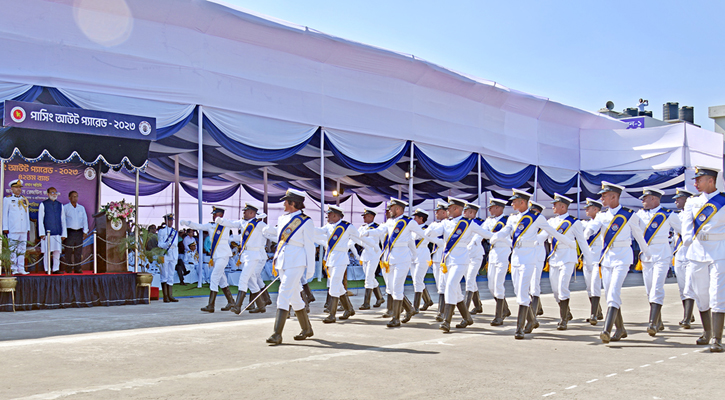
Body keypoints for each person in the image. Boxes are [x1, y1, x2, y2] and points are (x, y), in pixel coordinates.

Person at [490, 189, 575, 339]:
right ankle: (532, 320)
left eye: (514, 201)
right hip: (516, 257)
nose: (512, 203)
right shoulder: (512, 218)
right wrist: (496, 236)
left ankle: (519, 328)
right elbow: (506, 230)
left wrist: (568, 242)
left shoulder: (536, 217)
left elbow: (552, 232)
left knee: (523, 292)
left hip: (529, 257)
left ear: (523, 202)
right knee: (518, 291)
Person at [584, 182, 650, 344]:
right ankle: (620, 329)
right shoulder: (602, 215)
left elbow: (639, 235)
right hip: (607, 258)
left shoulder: (629, 215)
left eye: (604, 196)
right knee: (610, 295)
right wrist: (585, 235)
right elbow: (591, 228)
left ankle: (606, 329)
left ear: (614, 196)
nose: (602, 199)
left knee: (613, 292)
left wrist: (646, 253)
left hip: (623, 257)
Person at [364, 198, 439, 327]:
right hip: (390, 258)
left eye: (391, 208)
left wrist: (438, 240)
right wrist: (367, 232)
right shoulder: (389, 222)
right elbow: (379, 231)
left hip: (403, 258)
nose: (389, 211)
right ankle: (409, 309)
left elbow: (422, 234)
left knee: (397, 287)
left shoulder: (409, 222)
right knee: (392, 288)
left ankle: (396, 318)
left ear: (397, 209)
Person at [425, 197, 492, 333]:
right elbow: (435, 233)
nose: (447, 210)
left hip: (461, 259)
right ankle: (467, 318)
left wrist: (505, 236)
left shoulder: (468, 224)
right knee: (455, 291)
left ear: (456, 209)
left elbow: (486, 234)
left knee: (450, 285)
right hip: (448, 260)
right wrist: (428, 232)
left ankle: (446, 321)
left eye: (449, 208)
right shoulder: (445, 224)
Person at [261, 189, 316, 345]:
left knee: (283, 292)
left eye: (286, 201)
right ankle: (307, 328)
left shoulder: (306, 221)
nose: (284, 203)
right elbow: (279, 238)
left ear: (293, 203)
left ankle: (277, 334)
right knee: (294, 297)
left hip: (297, 260)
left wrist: (311, 268)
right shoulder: (283, 218)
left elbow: (310, 246)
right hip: (283, 259)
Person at [681, 167, 725, 352]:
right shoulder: (692, 202)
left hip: (719, 250)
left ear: (711, 181)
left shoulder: (722, 200)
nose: (695, 183)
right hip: (697, 251)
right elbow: (686, 224)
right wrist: (687, 240)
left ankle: (717, 338)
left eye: (699, 180)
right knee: (700, 294)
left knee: (717, 293)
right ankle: (707, 332)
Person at [542, 193, 593, 330]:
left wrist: (588, 259)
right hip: (554, 258)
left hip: (568, 258)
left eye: (555, 205)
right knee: (555, 291)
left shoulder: (574, 222)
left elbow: (582, 242)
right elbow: (543, 236)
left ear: (563, 206)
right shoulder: (551, 222)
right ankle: (567, 312)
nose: (552, 207)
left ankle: (563, 319)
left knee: (562, 287)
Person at [635, 187, 681, 337]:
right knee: (649, 291)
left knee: (656, 288)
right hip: (647, 256)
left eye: (645, 198)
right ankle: (659, 321)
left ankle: (652, 323)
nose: (642, 201)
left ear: (654, 198)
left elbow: (684, 231)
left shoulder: (668, 215)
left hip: (662, 254)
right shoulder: (640, 215)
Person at [216, 203, 269, 315]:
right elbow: (231, 223)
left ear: (252, 213)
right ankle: (261, 305)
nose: (243, 213)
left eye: (245, 211)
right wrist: (221, 221)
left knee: (243, 279)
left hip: (254, 255)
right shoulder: (243, 222)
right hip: (246, 255)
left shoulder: (259, 224)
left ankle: (237, 306)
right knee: (251, 281)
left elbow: (270, 232)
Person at [315, 205, 363, 323]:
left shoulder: (348, 226)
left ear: (335, 215)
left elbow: (359, 238)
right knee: (338, 285)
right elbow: (319, 231)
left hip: (341, 259)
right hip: (331, 259)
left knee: (334, 285)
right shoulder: (328, 227)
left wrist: (371, 247)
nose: (327, 217)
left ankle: (332, 314)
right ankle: (349, 309)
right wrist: (307, 228)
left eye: (329, 215)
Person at [182, 207, 236, 312]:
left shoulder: (227, 224)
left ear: (220, 215)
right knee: (222, 279)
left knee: (214, 277)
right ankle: (231, 302)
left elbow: (237, 225)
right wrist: (187, 223)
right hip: (215, 255)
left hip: (223, 255)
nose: (213, 216)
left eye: (215, 214)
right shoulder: (211, 225)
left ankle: (211, 305)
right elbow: (199, 226)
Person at [483, 198, 511, 326]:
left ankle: (499, 316)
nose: (489, 209)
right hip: (493, 253)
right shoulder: (489, 221)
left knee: (499, 285)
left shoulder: (507, 221)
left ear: (499, 208)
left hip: (504, 252)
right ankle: (505, 309)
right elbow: (481, 233)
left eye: (492, 207)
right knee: (491, 287)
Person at [672, 188, 696, 329]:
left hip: (691, 253)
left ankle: (686, 318)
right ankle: (689, 313)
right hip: (679, 254)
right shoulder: (676, 216)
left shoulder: (693, 214)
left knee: (689, 287)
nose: (676, 201)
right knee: (682, 288)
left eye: (678, 199)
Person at [581, 198, 605, 325]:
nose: (586, 210)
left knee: (595, 285)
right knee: (589, 287)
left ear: (596, 209)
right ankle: (598, 311)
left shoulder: (602, 222)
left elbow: (590, 232)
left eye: (588, 208)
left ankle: (594, 314)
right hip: (588, 259)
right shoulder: (587, 223)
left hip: (598, 259)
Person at [357, 208, 385, 310]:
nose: (364, 217)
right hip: (365, 253)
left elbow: (383, 241)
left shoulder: (377, 228)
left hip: (374, 253)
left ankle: (366, 303)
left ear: (371, 217)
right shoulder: (362, 227)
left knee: (369, 277)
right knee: (370, 277)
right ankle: (380, 298)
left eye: (366, 215)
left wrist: (382, 254)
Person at [2, 179, 30, 275]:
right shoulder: (7, 199)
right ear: (12, 189)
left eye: (19, 187)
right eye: (16, 187)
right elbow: (4, 214)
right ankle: (13, 268)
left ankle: (21, 268)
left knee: (22, 249)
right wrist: (5, 227)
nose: (18, 189)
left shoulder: (24, 199)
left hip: (23, 228)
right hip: (13, 228)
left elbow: (26, 215)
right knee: (12, 249)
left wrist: (28, 228)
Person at [463, 202, 485, 315]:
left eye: (466, 211)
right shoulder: (462, 223)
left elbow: (478, 237)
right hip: (466, 256)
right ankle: (478, 306)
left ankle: (464, 309)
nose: (464, 213)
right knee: (470, 280)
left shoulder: (480, 223)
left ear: (472, 212)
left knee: (470, 280)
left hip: (476, 255)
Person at [38, 187, 67, 274]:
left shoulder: (60, 205)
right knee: (47, 252)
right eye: (52, 192)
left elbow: (63, 220)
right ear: (48, 194)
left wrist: (64, 234)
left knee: (57, 251)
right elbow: (40, 220)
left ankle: (56, 269)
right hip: (47, 233)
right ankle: (47, 269)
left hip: (57, 232)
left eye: (55, 192)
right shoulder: (43, 204)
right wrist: (42, 233)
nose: (54, 194)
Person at [411, 208, 434, 313]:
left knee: (417, 280)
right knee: (416, 280)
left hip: (423, 255)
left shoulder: (426, 229)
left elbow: (417, 237)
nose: (414, 219)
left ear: (421, 218)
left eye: (416, 217)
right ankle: (427, 300)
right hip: (413, 256)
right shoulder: (412, 229)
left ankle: (415, 306)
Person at [429, 201, 448, 321]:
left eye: (438, 211)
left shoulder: (448, 223)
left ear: (444, 212)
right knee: (439, 283)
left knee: (443, 284)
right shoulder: (434, 224)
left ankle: (442, 311)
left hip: (445, 255)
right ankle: (445, 308)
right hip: (436, 256)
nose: (436, 213)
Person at [62, 190, 88, 273]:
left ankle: (78, 268)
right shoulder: (65, 207)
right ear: (69, 198)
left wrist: (85, 231)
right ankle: (68, 268)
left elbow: (85, 220)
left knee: (78, 251)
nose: (75, 198)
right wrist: (64, 233)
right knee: (68, 251)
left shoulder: (81, 208)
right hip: (69, 232)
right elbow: (63, 221)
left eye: (76, 196)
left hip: (79, 232)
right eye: (73, 196)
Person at [157, 214, 179, 302]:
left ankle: (170, 295)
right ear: (166, 221)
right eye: (169, 220)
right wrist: (165, 245)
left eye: (172, 220)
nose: (171, 222)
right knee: (164, 274)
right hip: (165, 253)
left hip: (173, 254)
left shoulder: (175, 232)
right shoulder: (161, 231)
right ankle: (165, 296)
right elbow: (159, 244)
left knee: (171, 274)